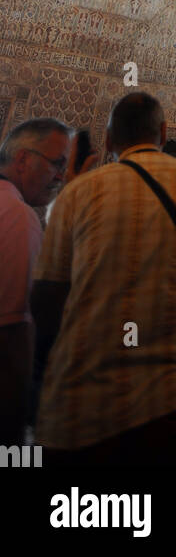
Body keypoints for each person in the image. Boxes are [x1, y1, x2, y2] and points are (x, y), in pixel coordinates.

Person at [32, 92, 176, 466]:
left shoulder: (74, 196)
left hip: (79, 407)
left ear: (107, 141)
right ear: (163, 133)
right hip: (171, 405)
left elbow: (46, 302)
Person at [0, 118, 95, 445]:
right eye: (56, 164)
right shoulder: (16, 215)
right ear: (23, 159)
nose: (59, 176)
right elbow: (14, 332)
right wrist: (14, 449)